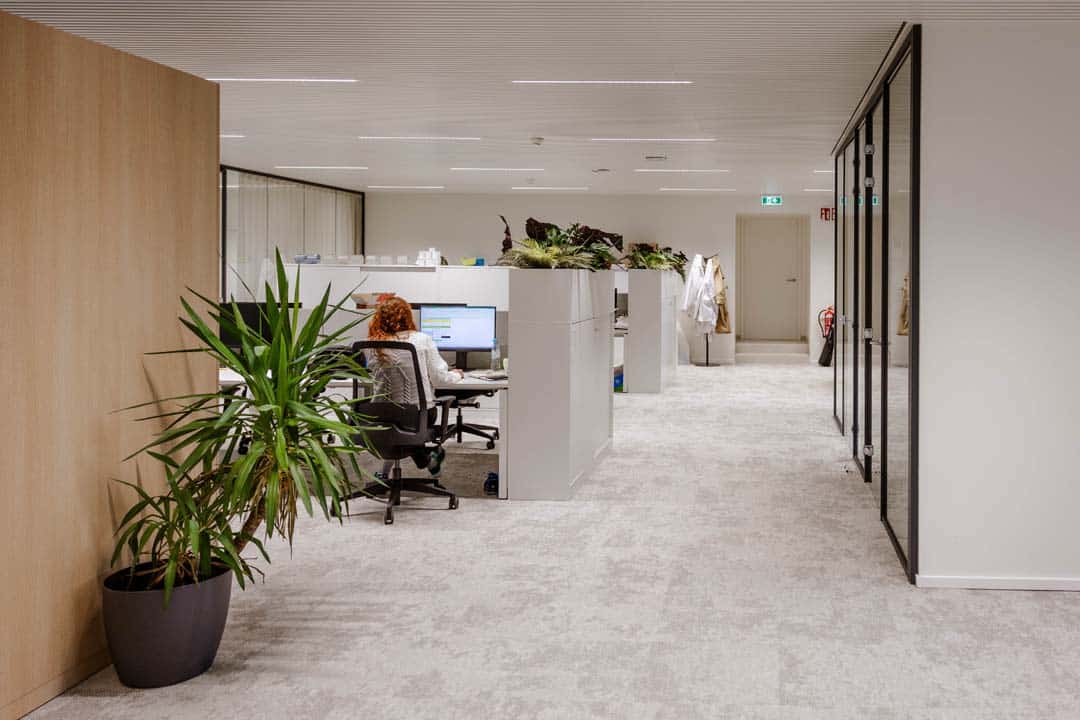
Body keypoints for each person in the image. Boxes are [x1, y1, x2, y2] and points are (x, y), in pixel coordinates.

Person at [366, 296, 462, 474]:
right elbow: (440, 379)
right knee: (409, 424)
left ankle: (389, 472)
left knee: (396, 424)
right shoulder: (422, 340)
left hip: (378, 415)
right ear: (408, 316)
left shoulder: (373, 344)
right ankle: (429, 459)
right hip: (416, 416)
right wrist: (456, 375)